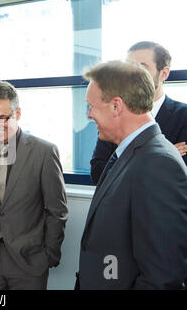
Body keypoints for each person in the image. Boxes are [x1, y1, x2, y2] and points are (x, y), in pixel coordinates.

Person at [77, 60, 187, 289]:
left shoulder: (158, 164)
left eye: (91, 106)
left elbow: (162, 276)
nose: (88, 115)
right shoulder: (129, 153)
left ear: (116, 106)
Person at [0, 81, 68, 290]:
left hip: (28, 262)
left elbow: (57, 211)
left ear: (17, 113)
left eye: (2, 118)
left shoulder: (44, 152)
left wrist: (49, 254)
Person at [90, 41, 187, 184]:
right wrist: (162, 158)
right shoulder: (114, 112)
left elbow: (179, 177)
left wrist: (123, 160)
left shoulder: (184, 116)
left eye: (142, 67)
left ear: (164, 74)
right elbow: (98, 172)